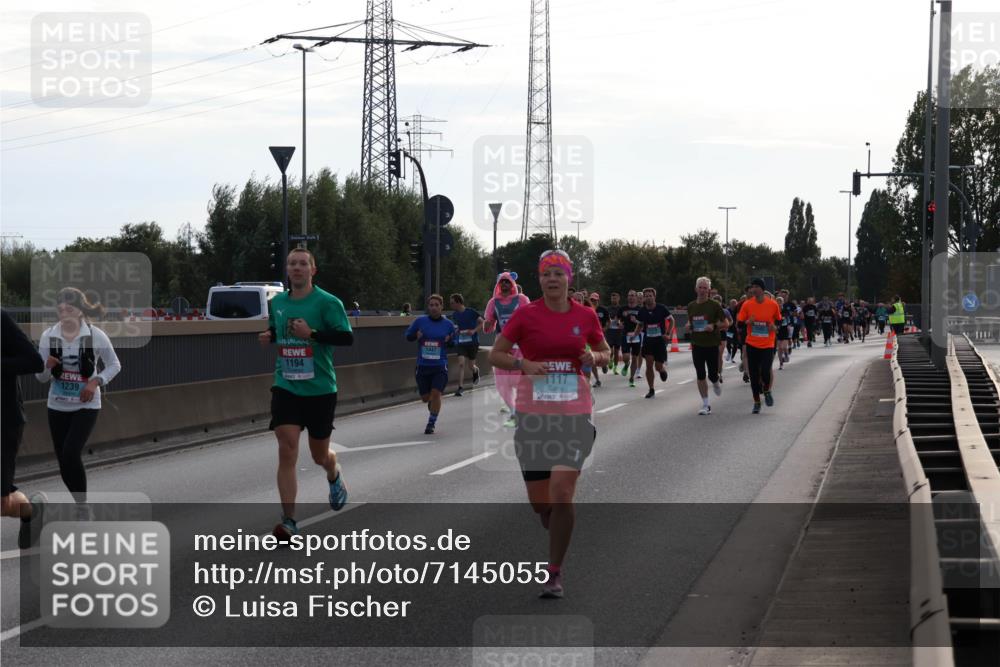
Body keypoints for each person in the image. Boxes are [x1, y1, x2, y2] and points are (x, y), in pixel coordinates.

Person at [488, 249, 609, 599]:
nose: (552, 279)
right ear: (539, 280)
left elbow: (605, 351)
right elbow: (495, 353)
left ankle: (554, 572)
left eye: (558, 273)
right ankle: (554, 520)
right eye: (546, 274)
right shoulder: (526, 315)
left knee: (561, 492)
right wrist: (522, 365)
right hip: (533, 414)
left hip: (574, 412)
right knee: (542, 504)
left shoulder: (585, 316)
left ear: (568, 278)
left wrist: (595, 356)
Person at [260, 248, 353, 540]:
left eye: (302, 264)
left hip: (321, 389)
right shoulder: (277, 303)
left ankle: (333, 470)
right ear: (287, 270)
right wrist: (270, 335)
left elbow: (345, 337)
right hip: (286, 385)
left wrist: (311, 334)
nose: (297, 268)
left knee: (318, 455)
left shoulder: (328, 303)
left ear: (313, 270)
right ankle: (289, 521)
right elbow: (278, 329)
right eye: (292, 264)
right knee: (287, 449)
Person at [35, 288, 121, 509]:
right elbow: (41, 378)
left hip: (86, 405)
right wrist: (47, 367)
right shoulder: (48, 336)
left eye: (69, 308)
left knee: (71, 453)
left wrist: (95, 382)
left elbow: (114, 365)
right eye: (60, 308)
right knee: (64, 461)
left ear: (81, 311)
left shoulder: (95, 336)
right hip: (57, 405)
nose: (64, 313)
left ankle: (83, 507)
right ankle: (80, 503)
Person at [2, 309, 47, 548]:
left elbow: (35, 361)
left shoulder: (0, 318)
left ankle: (32, 511)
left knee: (1, 503)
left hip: (4, 421)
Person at [483, 272, 531, 428]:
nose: (504, 284)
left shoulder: (522, 300)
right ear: (498, 285)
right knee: (502, 383)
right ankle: (514, 412)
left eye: (507, 282)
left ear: (512, 284)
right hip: (502, 345)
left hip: (520, 344)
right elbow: (488, 325)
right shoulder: (493, 302)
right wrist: (487, 325)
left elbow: (530, 319)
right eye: (502, 282)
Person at [406, 295, 456, 434]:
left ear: (441, 307)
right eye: (431, 305)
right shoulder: (420, 321)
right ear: (428, 307)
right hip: (423, 366)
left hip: (440, 366)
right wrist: (416, 336)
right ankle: (431, 403)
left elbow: (454, 343)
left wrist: (449, 341)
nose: (434, 307)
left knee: (436, 394)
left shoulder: (448, 325)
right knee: (425, 398)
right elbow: (408, 336)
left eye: (436, 305)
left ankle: (431, 423)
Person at [737, 278, 781, 414]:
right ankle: (756, 402)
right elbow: (739, 325)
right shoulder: (747, 305)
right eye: (752, 287)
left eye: (756, 286)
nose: (753, 289)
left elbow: (779, 322)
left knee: (766, 371)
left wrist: (774, 327)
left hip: (767, 344)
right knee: (754, 376)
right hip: (752, 344)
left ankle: (767, 390)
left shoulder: (773, 305)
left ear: (762, 289)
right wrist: (747, 322)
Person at [685, 278, 727, 415]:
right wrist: (688, 326)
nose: (702, 290)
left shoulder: (714, 305)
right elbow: (690, 322)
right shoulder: (691, 305)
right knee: (700, 374)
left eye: (705, 288)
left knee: (712, 375)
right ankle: (705, 404)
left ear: (708, 290)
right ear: (696, 289)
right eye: (700, 287)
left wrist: (713, 326)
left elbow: (726, 323)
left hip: (712, 344)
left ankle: (715, 382)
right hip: (697, 344)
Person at [636, 287, 672, 399]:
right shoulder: (642, 311)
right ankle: (651, 389)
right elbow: (640, 324)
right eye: (646, 296)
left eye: (650, 295)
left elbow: (672, 320)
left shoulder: (661, 308)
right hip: (648, 340)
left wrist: (668, 334)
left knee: (658, 366)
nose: (648, 297)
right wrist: (635, 333)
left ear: (654, 297)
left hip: (660, 341)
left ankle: (662, 370)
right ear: (644, 298)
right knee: (649, 364)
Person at [449, 294, 483, 397]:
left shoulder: (471, 312)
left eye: (452, 303)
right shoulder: (454, 315)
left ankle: (475, 371)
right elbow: (454, 328)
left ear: (458, 302)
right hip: (461, 342)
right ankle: (460, 387)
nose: (450, 305)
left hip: (472, 342)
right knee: (461, 364)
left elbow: (482, 323)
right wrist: (454, 333)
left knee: (471, 366)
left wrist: (473, 331)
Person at [620, 290, 644, 387]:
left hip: (636, 336)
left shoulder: (640, 310)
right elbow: (617, 320)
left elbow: (643, 323)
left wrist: (636, 321)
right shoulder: (623, 309)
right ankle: (626, 365)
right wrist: (619, 324)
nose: (631, 297)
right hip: (625, 335)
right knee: (626, 357)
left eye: (633, 296)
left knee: (634, 358)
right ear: (627, 297)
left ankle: (631, 378)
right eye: (629, 295)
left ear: (636, 298)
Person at [590, 293, 610, 376]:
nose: (593, 301)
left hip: (601, 334)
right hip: (590, 335)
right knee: (592, 354)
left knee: (602, 351)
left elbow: (609, 321)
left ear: (598, 300)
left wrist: (605, 328)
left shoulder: (603, 310)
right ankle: (597, 379)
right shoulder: (587, 309)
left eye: (595, 300)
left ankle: (604, 364)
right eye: (592, 300)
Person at [605, 292, 623, 374]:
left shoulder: (621, 309)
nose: (614, 299)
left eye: (615, 298)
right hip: (610, 331)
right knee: (610, 350)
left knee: (616, 351)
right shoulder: (608, 309)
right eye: (612, 298)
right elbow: (605, 319)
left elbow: (624, 319)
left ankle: (615, 368)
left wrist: (620, 322)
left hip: (618, 332)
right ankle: (610, 360)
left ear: (618, 299)